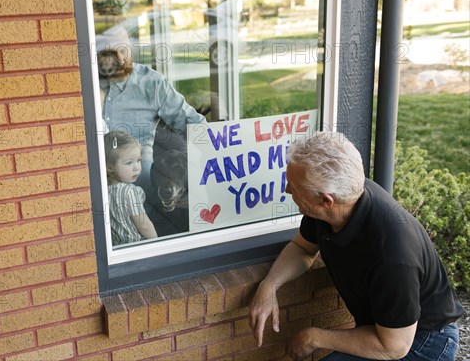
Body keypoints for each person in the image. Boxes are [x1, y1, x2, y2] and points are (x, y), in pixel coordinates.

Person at [249, 131, 464, 360]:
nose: (287, 190)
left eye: (293, 185)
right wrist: (269, 285)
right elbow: (302, 249)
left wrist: (311, 337)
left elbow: (394, 347)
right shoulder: (334, 204)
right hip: (385, 330)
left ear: (326, 201)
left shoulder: (392, 254)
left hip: (423, 342)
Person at [96, 26, 205, 192]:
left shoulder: (152, 83)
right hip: (93, 185)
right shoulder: (82, 84)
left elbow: (194, 125)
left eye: (124, 51)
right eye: (111, 54)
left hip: (140, 187)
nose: (121, 60)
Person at [104, 130, 158, 246]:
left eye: (138, 160)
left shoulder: (104, 191)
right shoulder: (129, 192)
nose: (137, 168)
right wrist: (157, 243)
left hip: (118, 248)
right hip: (138, 247)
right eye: (129, 163)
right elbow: (144, 225)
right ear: (110, 167)